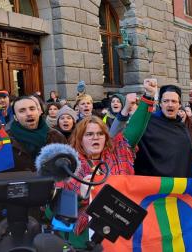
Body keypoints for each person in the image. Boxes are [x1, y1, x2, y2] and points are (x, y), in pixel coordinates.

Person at [57, 81, 156, 248]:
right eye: (89, 134)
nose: (95, 138)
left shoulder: (118, 151)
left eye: (99, 134)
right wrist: (80, 194)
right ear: (80, 138)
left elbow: (135, 129)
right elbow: (54, 205)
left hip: (124, 227)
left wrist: (149, 96)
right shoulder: (68, 163)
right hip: (83, 237)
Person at [134, 83, 192, 177]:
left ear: (179, 105)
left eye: (174, 101)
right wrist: (148, 96)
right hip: (154, 185)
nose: (170, 105)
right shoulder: (148, 123)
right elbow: (129, 137)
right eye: (166, 101)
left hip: (178, 186)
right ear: (160, 104)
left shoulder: (182, 128)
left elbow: (187, 160)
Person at [8, 96, 67, 172]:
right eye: (22, 111)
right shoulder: (6, 140)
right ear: (15, 117)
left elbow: (68, 166)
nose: (29, 113)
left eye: (32, 109)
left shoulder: (56, 136)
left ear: (39, 111)